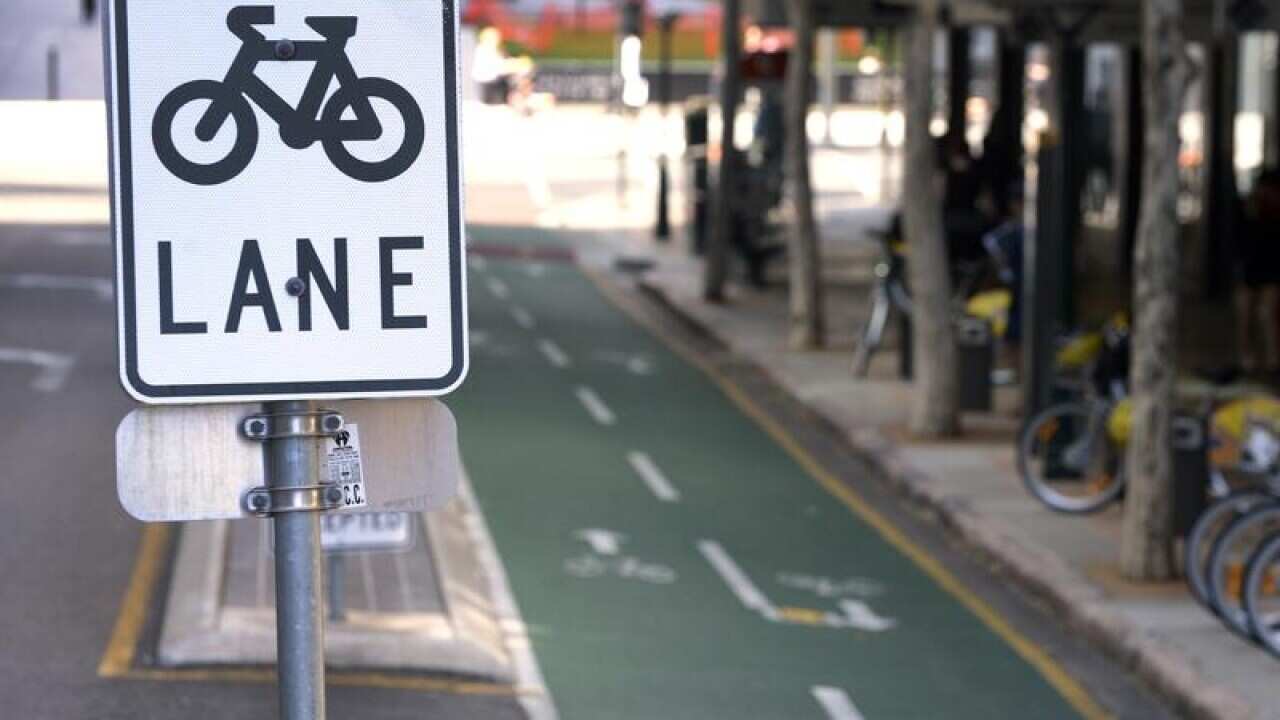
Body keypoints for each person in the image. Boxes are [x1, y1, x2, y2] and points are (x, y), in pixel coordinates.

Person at [1235, 168, 1280, 374]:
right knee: (1246, 315)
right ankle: (1248, 357)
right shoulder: (1250, 209)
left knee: (1267, 314)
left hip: (1271, 270)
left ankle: (1272, 359)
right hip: (1250, 269)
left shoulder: (1274, 212)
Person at [472, 27, 511, 105]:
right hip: (488, 86)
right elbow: (499, 67)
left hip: (496, 83)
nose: (498, 40)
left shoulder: (496, 50)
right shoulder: (483, 50)